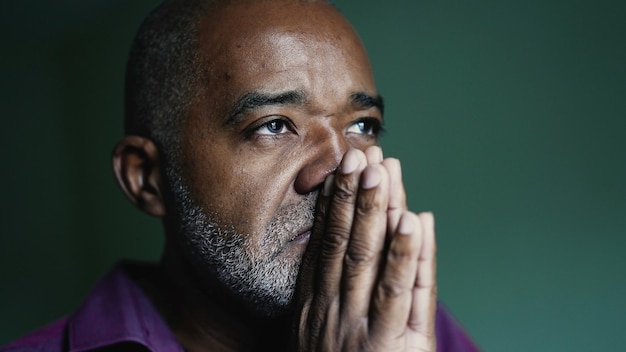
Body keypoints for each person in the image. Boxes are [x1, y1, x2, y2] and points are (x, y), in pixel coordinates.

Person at [2, 0, 478, 351]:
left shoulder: (415, 328)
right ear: (146, 178)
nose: (340, 168)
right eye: (274, 125)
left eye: (362, 126)